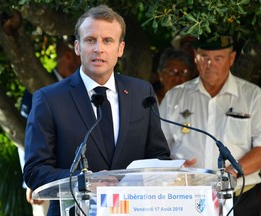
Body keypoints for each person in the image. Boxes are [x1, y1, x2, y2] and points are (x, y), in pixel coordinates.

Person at [23, 5, 171, 216]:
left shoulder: (141, 92)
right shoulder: (49, 99)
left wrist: (173, 170)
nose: (98, 49)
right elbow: (35, 172)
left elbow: (158, 156)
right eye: (90, 40)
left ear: (120, 49)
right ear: (77, 47)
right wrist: (85, 181)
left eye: (107, 41)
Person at [159, 35, 261, 216]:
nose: (210, 64)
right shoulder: (175, 96)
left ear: (231, 59)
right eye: (204, 57)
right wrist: (173, 166)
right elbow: (158, 147)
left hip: (239, 197)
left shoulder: (253, 96)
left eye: (218, 59)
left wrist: (231, 172)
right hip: (185, 196)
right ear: (195, 58)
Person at [18, 36, 81, 216]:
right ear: (69, 56)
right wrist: (30, 181)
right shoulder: (36, 92)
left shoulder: (81, 89)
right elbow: (26, 135)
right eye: (79, 55)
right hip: (44, 181)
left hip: (80, 182)